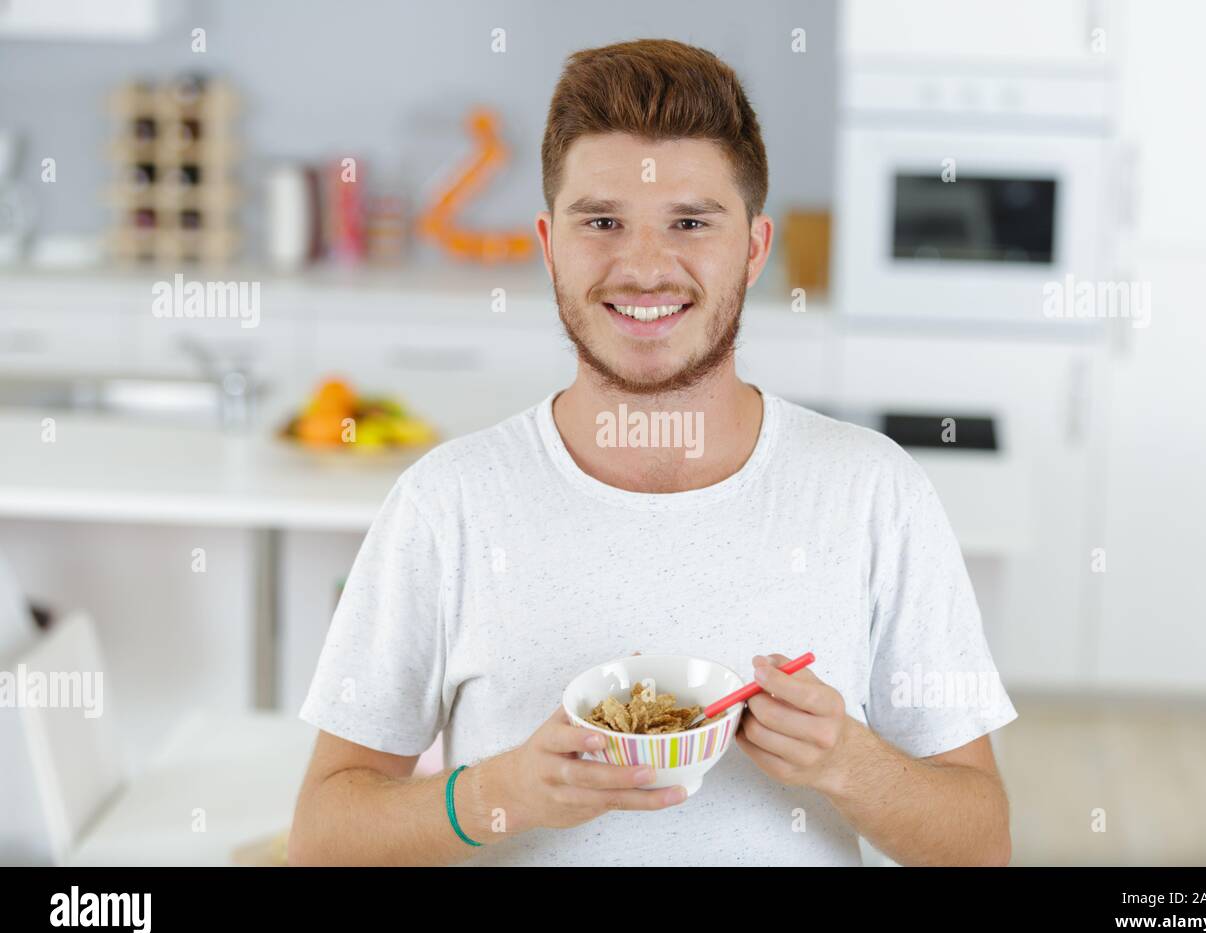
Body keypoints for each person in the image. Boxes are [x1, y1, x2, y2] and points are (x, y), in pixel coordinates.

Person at [289, 38, 1016, 866]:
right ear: (548, 241)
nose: (642, 268)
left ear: (753, 245)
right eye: (602, 221)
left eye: (690, 223)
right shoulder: (446, 503)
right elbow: (321, 839)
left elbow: (980, 844)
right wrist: (502, 795)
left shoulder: (874, 492)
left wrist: (849, 762)